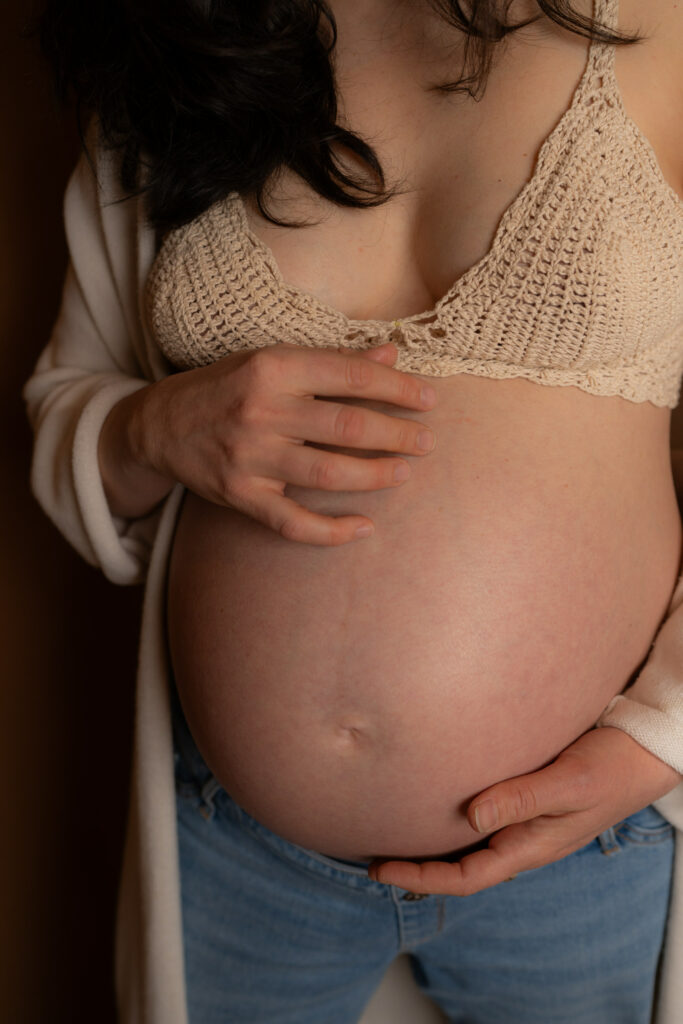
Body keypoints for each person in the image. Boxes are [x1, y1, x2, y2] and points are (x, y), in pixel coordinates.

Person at [23, 0, 683, 1021]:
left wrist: (664, 735)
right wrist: (154, 428)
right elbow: (72, 408)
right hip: (238, 849)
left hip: (582, 843)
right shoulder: (180, 50)